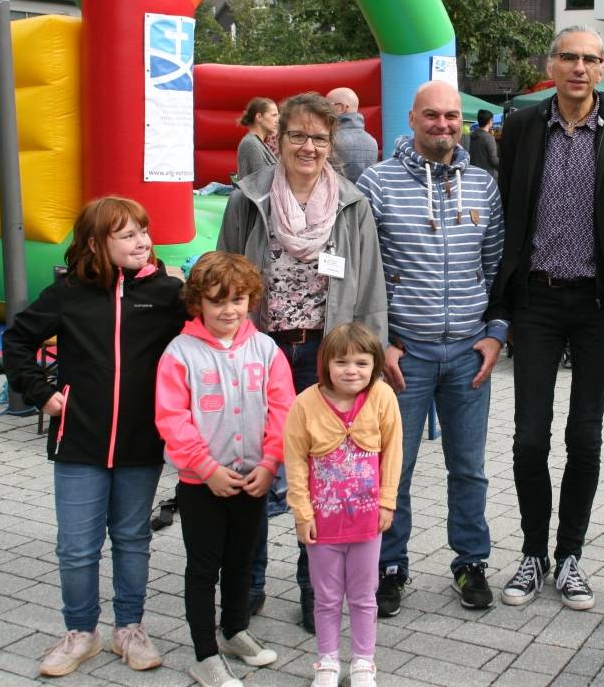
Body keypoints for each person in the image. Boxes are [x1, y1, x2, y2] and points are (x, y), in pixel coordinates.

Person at [488, 25, 604, 611]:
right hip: (535, 301)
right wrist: (500, 309)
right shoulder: (524, 126)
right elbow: (508, 216)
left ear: (602, 69)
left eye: (589, 59)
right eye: (568, 57)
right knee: (530, 435)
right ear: (550, 65)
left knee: (584, 436)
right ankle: (533, 553)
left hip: (598, 307)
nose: (578, 67)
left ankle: (571, 558)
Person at [218, 91, 387, 631]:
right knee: (256, 466)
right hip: (261, 350)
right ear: (277, 139)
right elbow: (224, 275)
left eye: (319, 137)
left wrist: (369, 364)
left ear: (331, 143)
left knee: (324, 475)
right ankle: (249, 584)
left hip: (326, 352)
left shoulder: (352, 204)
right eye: (298, 136)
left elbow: (370, 288)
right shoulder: (248, 198)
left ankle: (316, 592)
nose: (308, 146)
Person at [2, 197, 186, 678]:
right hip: (79, 442)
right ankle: (82, 632)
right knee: (76, 546)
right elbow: (18, 340)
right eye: (126, 234)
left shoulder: (167, 294)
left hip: (141, 444)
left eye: (144, 231)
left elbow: (208, 335)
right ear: (94, 244)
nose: (141, 241)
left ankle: (130, 628)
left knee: (131, 538)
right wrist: (40, 394)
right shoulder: (69, 294)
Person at [356, 80, 506, 615]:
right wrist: (381, 345)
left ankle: (470, 562)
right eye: (432, 116)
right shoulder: (376, 183)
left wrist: (496, 333)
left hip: (468, 351)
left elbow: (497, 266)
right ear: (412, 119)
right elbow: (362, 271)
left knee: (470, 468)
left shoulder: (484, 185)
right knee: (394, 467)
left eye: (452, 116)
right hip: (405, 356)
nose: (444, 125)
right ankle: (390, 567)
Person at [154, 253, 293, 687]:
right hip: (201, 483)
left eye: (238, 300)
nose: (229, 310)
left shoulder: (266, 348)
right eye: (217, 302)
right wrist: (205, 467)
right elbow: (172, 418)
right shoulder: (180, 353)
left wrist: (271, 463)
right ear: (198, 304)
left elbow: (283, 409)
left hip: (253, 477)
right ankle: (204, 654)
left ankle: (234, 632)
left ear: (251, 300)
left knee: (241, 560)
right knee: (203, 567)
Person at [285, 322, 401, 687]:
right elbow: (295, 461)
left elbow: (393, 453)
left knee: (365, 597)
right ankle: (327, 661)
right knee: (326, 597)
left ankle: (364, 662)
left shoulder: (382, 397)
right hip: (322, 524)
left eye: (362, 363)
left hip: (368, 521)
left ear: (376, 365)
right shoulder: (305, 404)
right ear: (325, 364)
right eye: (342, 362)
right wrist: (302, 514)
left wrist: (387, 502)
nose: (352, 370)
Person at [327, 87, 381, 183]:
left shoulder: (330, 139)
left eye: (327, 105)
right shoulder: (372, 141)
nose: (324, 110)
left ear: (341, 108)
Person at [237, 97, 279, 179]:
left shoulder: (258, 142)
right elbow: (262, 183)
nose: (277, 120)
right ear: (259, 117)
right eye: (274, 115)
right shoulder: (251, 143)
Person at [468, 108, 501, 179]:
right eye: (492, 120)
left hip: (474, 173)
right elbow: (494, 160)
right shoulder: (488, 137)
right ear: (489, 121)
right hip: (488, 176)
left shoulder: (472, 135)